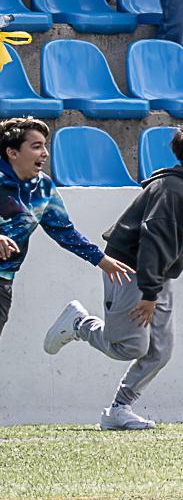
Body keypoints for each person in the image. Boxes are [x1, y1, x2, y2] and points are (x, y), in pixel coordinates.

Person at [40, 123, 183, 430]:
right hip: (130, 270)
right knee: (130, 347)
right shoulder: (171, 189)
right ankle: (80, 324)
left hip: (156, 276)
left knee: (160, 351)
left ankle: (118, 410)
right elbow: (153, 241)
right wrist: (148, 294)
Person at [2, 116, 129, 341]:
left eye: (45, 146)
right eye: (36, 146)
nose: (45, 153)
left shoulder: (42, 187)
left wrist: (101, 260)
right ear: (12, 153)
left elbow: (63, 231)